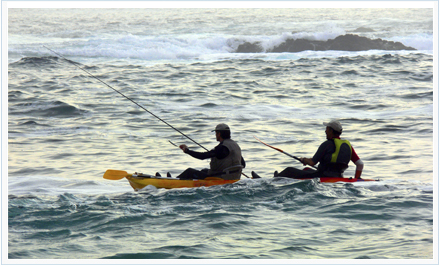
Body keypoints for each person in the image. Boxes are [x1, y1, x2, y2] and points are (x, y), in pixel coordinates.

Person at [274, 120, 364, 179]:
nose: (325, 131)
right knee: (306, 169)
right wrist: (357, 179)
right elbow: (360, 164)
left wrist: (304, 159)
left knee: (289, 170)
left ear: (331, 131)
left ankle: (275, 179)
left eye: (327, 129)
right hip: (339, 177)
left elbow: (313, 162)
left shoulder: (326, 144)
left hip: (322, 177)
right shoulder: (348, 146)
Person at [177, 123, 246, 180]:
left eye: (216, 133)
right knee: (204, 170)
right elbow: (243, 164)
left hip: (221, 178)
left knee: (190, 171)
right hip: (235, 177)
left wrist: (187, 151)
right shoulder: (235, 145)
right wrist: (231, 170)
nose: (215, 135)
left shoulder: (221, 147)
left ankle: (173, 180)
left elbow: (202, 156)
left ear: (219, 134)